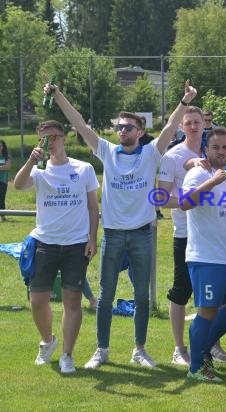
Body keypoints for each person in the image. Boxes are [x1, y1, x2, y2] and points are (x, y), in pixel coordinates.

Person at [46, 80, 198, 369]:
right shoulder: (107, 151)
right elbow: (78, 122)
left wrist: (185, 101)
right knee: (105, 296)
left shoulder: (151, 153)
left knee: (142, 296)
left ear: (139, 132)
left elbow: (169, 128)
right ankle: (101, 350)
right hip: (113, 236)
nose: (122, 131)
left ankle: (139, 349)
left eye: (128, 127)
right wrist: (57, 94)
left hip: (142, 235)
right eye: (119, 127)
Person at [13, 120, 99, 373]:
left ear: (63, 138)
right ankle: (48, 341)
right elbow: (18, 185)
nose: (50, 142)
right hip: (45, 244)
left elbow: (93, 208)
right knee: (37, 300)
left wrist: (92, 239)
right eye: (44, 138)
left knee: (72, 302)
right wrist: (30, 161)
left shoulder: (83, 168)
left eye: (54, 137)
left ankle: (67, 355)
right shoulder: (38, 170)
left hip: (76, 245)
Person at [179, 127, 226, 382]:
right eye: (216, 147)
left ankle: (202, 344)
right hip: (206, 256)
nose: (221, 151)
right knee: (207, 311)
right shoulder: (199, 173)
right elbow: (185, 202)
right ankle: (197, 367)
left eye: (225, 147)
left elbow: (224, 216)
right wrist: (212, 181)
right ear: (206, 150)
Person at [158, 106, 204, 367]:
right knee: (181, 291)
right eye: (188, 123)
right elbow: (162, 198)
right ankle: (179, 348)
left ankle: (214, 346)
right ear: (181, 126)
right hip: (185, 234)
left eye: (197, 122)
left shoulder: (210, 151)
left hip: (211, 234)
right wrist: (189, 202)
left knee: (210, 294)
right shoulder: (172, 157)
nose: (194, 126)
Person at [0, 139, 11, 222]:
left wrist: (3, 167)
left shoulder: (7, 156)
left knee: (1, 199)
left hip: (3, 181)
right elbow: (4, 167)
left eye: (0, 146)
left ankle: (2, 217)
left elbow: (7, 167)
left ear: (3, 147)